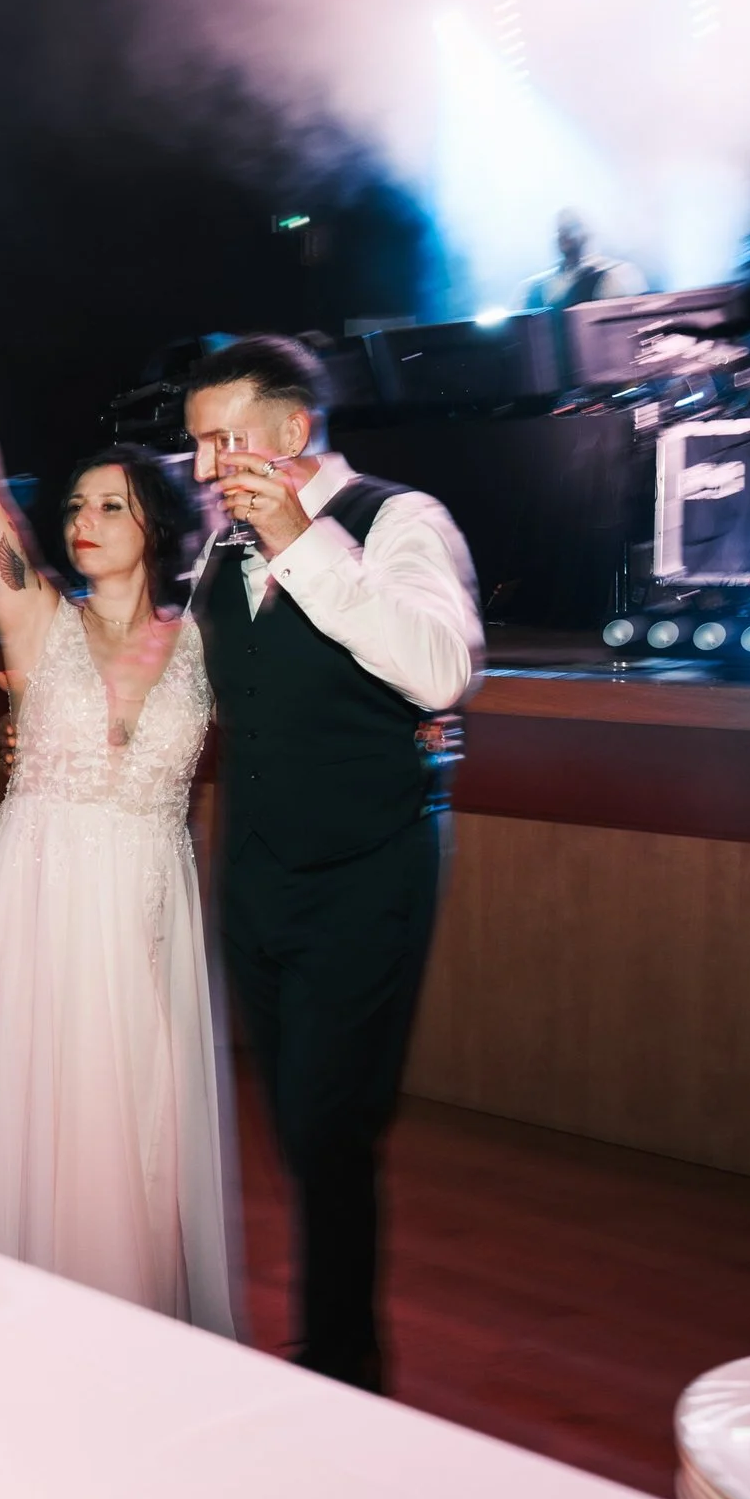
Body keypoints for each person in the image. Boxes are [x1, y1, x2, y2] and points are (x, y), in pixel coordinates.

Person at [0, 279, 239, 1339]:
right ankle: (28, 1324)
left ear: (156, 522)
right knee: (50, 1103)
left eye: (109, 505)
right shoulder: (34, 617)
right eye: (76, 506)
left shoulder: (202, 639)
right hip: (44, 880)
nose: (83, 523)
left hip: (147, 892)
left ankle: (134, 1330)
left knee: (135, 1117)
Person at [184, 335, 482, 1391]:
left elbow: (440, 669)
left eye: (224, 439)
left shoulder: (401, 520)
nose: (208, 464)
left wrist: (300, 538)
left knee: (330, 1124)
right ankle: (324, 1354)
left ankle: (341, 1371)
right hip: (255, 867)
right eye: (197, 446)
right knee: (295, 1119)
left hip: (368, 868)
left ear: (292, 429)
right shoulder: (220, 549)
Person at [526, 208, 645, 310]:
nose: (563, 235)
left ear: (587, 232)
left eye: (570, 228)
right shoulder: (539, 286)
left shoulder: (614, 275)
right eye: (560, 230)